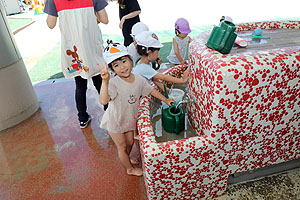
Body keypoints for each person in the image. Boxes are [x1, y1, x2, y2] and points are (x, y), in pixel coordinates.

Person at [98, 42, 174, 176]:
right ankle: (129, 169)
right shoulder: (114, 83)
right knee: (121, 146)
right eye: (116, 65)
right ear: (112, 70)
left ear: (130, 60)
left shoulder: (138, 79)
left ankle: (126, 158)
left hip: (129, 119)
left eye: (123, 61)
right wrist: (105, 81)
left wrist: (165, 99)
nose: (122, 67)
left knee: (130, 142)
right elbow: (103, 100)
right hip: (115, 121)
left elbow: (150, 90)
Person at [44, 0, 109, 128]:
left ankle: (83, 117)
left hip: (74, 52)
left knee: (80, 85)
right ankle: (110, 113)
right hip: (92, 49)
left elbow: (50, 24)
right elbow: (105, 19)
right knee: (100, 82)